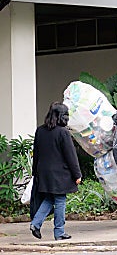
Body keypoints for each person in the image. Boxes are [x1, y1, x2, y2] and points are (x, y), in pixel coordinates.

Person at [30, 102, 82, 240]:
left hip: (43, 172)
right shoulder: (63, 132)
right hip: (60, 174)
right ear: (62, 116)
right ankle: (59, 232)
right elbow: (70, 156)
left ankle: (35, 223)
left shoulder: (40, 130)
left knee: (49, 198)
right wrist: (77, 174)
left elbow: (36, 153)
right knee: (60, 200)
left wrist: (34, 172)